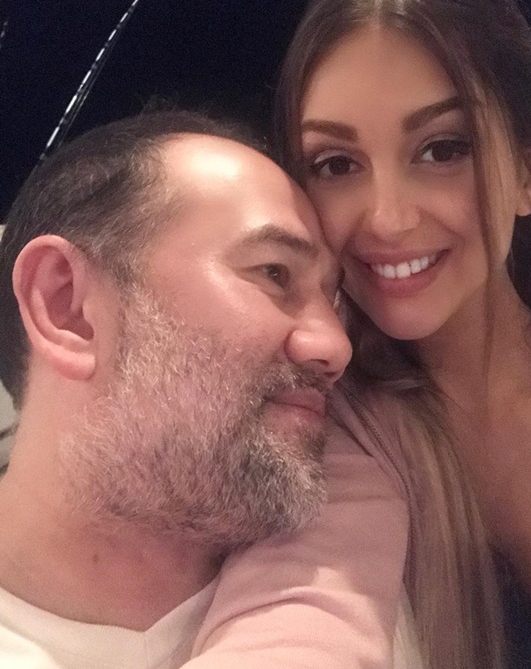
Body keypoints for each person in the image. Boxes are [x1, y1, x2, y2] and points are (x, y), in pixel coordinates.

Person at [183, 0, 531, 669]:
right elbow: (298, 611)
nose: (388, 219)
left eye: (442, 149)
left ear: (530, 173)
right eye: (337, 164)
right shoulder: (338, 423)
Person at [0, 109, 354, 669]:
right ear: (67, 308)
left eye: (334, 300)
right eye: (274, 272)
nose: (335, 346)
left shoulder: (368, 587)